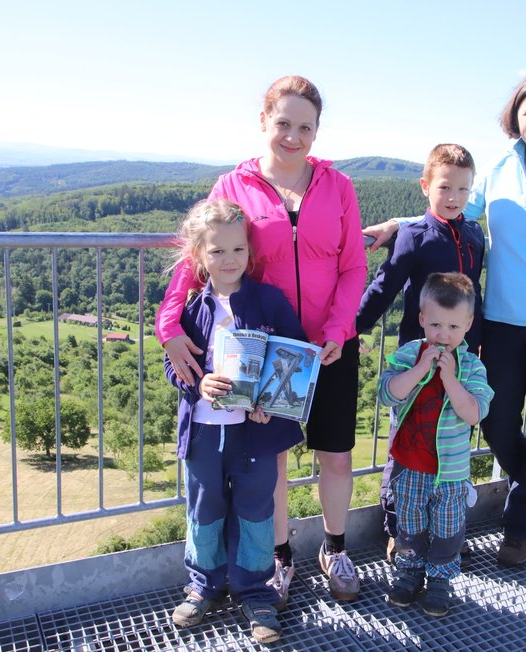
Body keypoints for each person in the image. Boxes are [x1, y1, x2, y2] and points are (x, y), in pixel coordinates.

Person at [364, 72, 526, 568]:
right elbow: (450, 208)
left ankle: (521, 527)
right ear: (515, 117)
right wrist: (399, 226)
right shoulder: (499, 170)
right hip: (499, 324)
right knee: (496, 423)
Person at [156, 75, 367, 603]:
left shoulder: (338, 187)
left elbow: (354, 266)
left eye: (306, 127)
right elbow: (194, 255)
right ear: (263, 122)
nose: (293, 137)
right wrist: (168, 326)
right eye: (284, 124)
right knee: (269, 457)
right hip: (263, 350)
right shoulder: (232, 187)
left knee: (335, 456)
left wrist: (339, 330)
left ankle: (335, 548)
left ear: (317, 131)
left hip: (328, 346)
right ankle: (279, 558)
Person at [164, 199, 307, 643]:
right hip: (204, 433)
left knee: (255, 510)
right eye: (217, 252)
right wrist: (198, 384)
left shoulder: (269, 300)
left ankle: (255, 592)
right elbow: (174, 366)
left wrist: (272, 400)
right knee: (204, 510)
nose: (229, 261)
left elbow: (295, 354)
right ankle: (203, 586)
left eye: (238, 250)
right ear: (198, 257)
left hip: (255, 435)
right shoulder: (192, 307)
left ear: (250, 251)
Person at [354, 144, 485, 561]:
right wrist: (350, 329)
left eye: (463, 189)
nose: (453, 197)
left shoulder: (474, 234)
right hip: (417, 361)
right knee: (405, 441)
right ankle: (399, 528)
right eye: (444, 186)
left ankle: (443, 527)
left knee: (447, 441)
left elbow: (475, 299)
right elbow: (383, 289)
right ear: (426, 186)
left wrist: (477, 350)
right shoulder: (413, 235)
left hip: (460, 362)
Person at [377, 272, 493, 617]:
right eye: (436, 325)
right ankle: (409, 574)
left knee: (447, 530)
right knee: (409, 526)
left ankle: (440, 580)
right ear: (422, 319)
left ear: (468, 324)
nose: (444, 335)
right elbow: (387, 393)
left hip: (451, 473)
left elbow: (474, 413)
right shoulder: (409, 354)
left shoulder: (472, 366)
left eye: (454, 328)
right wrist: (420, 368)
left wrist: (450, 378)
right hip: (410, 466)